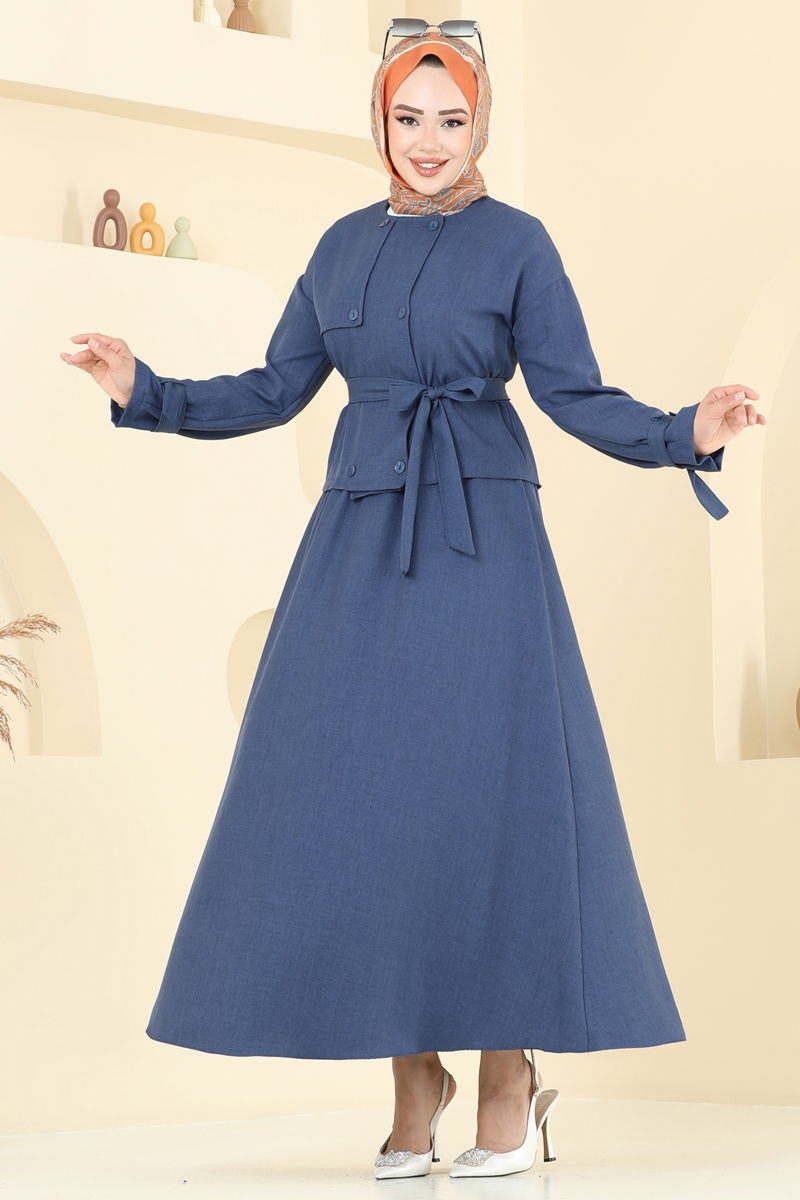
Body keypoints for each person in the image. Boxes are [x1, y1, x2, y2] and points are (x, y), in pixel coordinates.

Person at [60, 22, 764, 1182]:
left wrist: (682, 431)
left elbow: (571, 393)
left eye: (451, 118)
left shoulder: (518, 243)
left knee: (489, 798)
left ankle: (506, 1072)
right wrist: (147, 390)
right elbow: (274, 388)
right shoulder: (339, 249)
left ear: (478, 124)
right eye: (406, 117)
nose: (428, 141)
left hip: (482, 537)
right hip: (356, 536)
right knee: (365, 802)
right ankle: (411, 1075)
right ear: (378, 122)